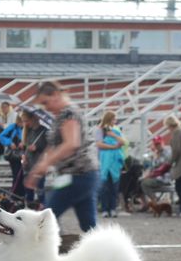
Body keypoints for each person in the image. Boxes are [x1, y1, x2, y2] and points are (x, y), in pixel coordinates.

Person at [24, 81, 100, 232]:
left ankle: (54, 250)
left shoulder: (68, 113)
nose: (46, 108)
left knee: (47, 219)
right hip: (83, 175)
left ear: (56, 95)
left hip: (77, 175)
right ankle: (105, 253)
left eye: (46, 102)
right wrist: (38, 170)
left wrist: (44, 165)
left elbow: (71, 143)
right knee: (89, 226)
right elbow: (53, 146)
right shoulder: (62, 116)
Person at [95, 111, 125, 218]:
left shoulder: (115, 130)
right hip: (103, 162)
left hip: (114, 163)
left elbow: (123, 142)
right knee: (105, 186)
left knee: (114, 186)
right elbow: (99, 144)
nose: (115, 121)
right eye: (113, 119)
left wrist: (113, 136)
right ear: (108, 119)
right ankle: (104, 209)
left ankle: (112, 208)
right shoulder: (100, 129)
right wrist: (113, 147)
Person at [20, 107, 48, 207]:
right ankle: (30, 208)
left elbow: (48, 148)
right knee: (28, 189)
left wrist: (37, 148)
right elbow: (24, 148)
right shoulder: (27, 131)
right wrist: (23, 155)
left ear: (33, 118)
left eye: (26, 121)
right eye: (23, 121)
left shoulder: (44, 131)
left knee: (40, 188)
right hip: (28, 164)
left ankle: (43, 208)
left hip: (39, 164)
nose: (25, 124)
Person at [0, 114, 25, 197]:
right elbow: (1, 136)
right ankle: (15, 195)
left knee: (23, 176)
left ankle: (21, 194)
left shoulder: (27, 128)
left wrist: (24, 143)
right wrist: (10, 143)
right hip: (14, 156)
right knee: (16, 175)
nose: (22, 123)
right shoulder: (13, 127)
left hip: (24, 154)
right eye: (21, 121)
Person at [141, 135, 172, 204]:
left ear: (162, 143)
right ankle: (146, 203)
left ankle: (154, 201)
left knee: (144, 183)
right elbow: (152, 167)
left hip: (163, 178)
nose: (158, 146)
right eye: (156, 144)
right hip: (157, 177)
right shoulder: (158, 153)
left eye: (159, 144)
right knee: (141, 180)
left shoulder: (166, 153)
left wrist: (155, 157)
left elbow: (160, 166)